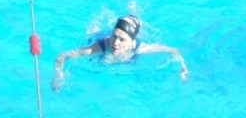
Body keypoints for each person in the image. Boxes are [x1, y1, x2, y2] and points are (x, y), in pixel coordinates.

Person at [52, 15, 188, 91]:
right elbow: (62, 56)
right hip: (99, 37)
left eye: (122, 39)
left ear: (132, 40)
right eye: (114, 36)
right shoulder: (101, 46)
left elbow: (174, 51)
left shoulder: (141, 48)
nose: (115, 43)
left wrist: (183, 69)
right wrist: (59, 75)